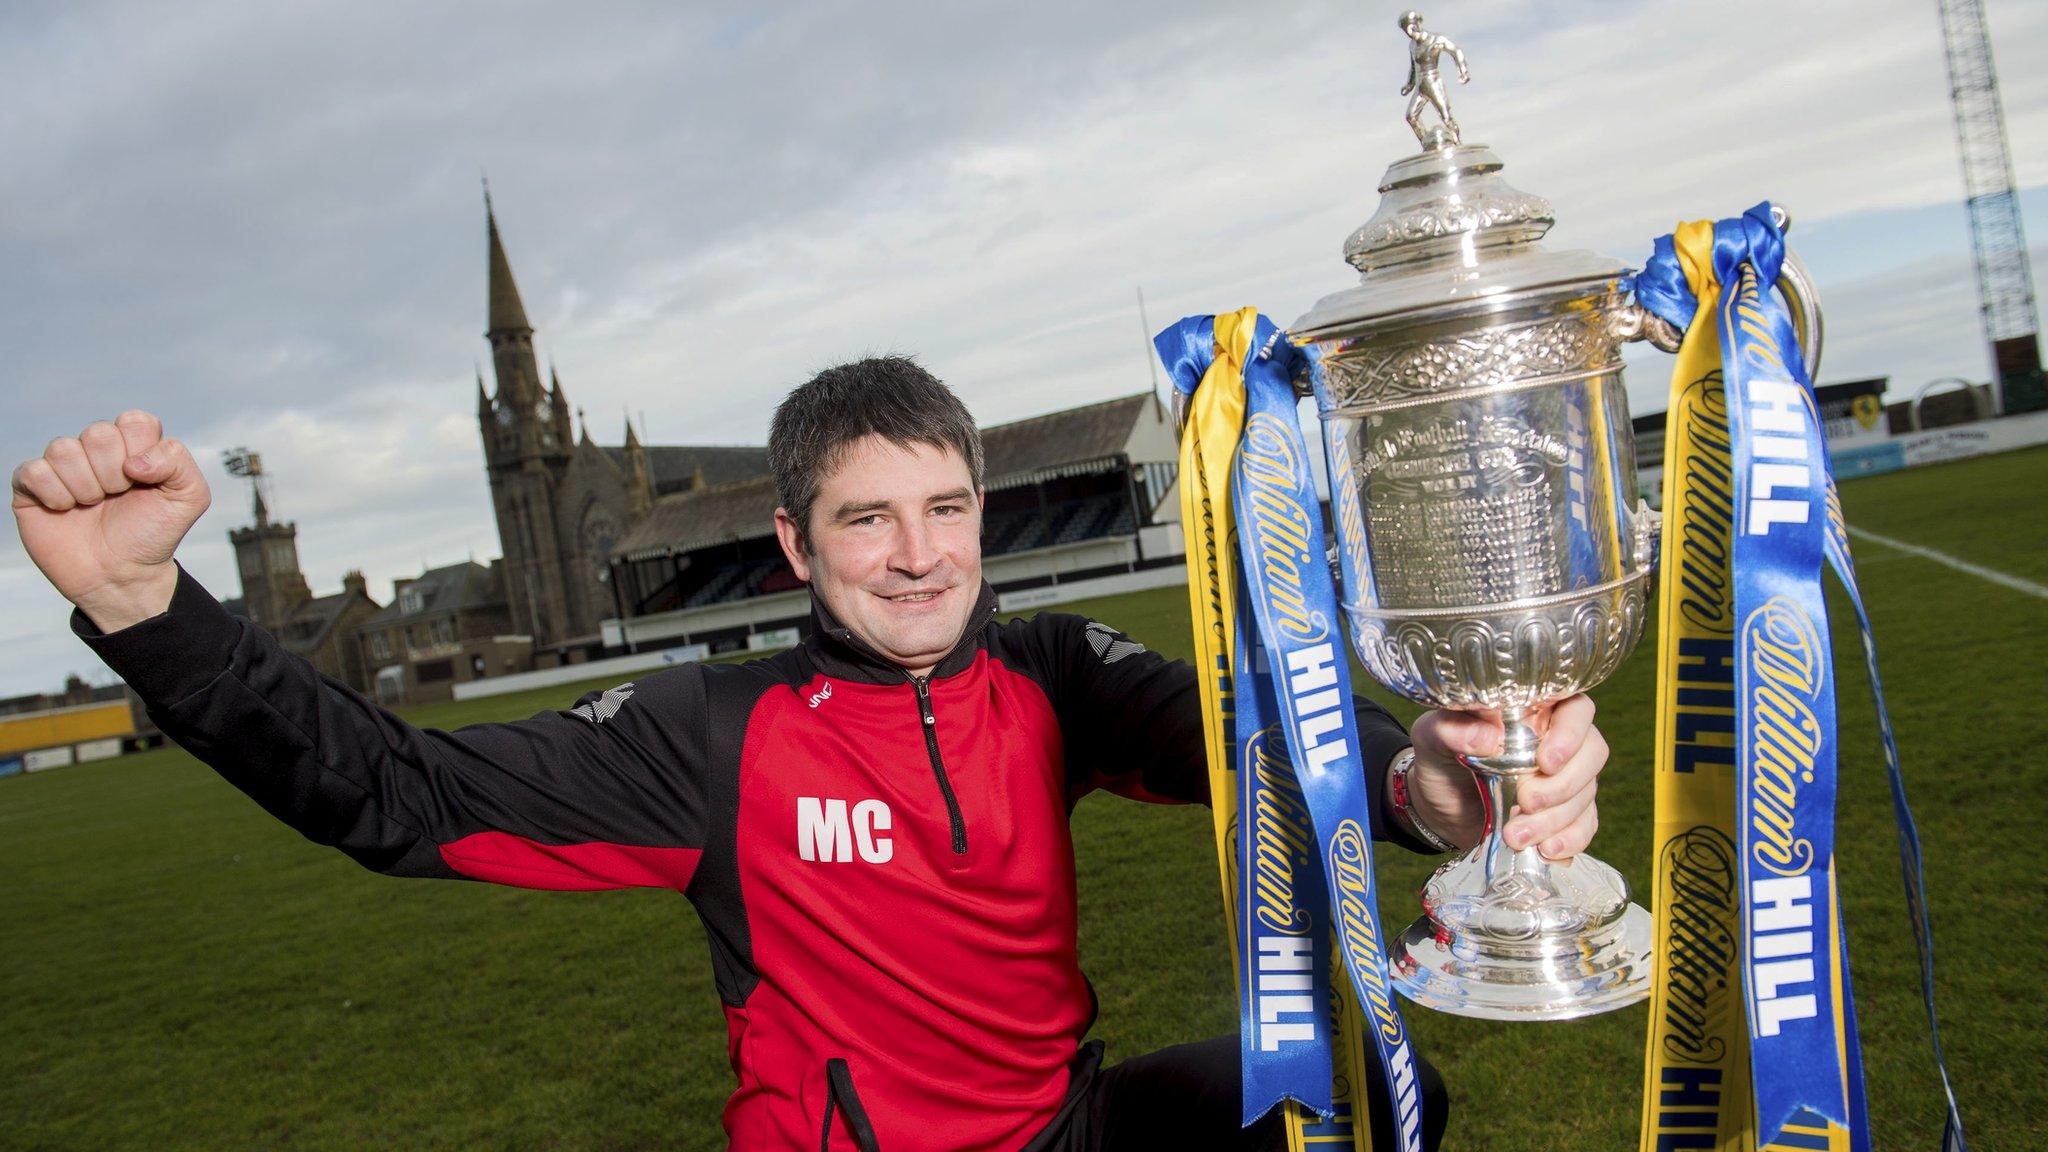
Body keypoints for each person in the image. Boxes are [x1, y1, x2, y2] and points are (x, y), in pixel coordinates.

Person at [11, 358, 1611, 1151]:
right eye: (867, 518)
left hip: (1069, 1128)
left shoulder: (1048, 666)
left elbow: (1267, 744)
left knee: (1380, 1093)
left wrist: (1448, 783)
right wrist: (152, 613)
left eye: (947, 509)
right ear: (793, 542)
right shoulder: (710, 734)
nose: (917, 558)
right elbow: (397, 792)